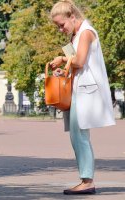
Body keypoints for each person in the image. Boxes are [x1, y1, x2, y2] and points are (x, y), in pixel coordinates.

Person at [50, 0, 115, 195]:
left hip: (86, 91)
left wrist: (63, 59)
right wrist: (64, 70)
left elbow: (79, 60)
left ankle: (87, 181)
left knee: (80, 136)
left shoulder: (86, 33)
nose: (61, 30)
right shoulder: (77, 36)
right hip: (79, 89)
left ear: (72, 16)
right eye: (58, 26)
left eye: (62, 25)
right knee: (77, 135)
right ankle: (85, 179)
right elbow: (77, 65)